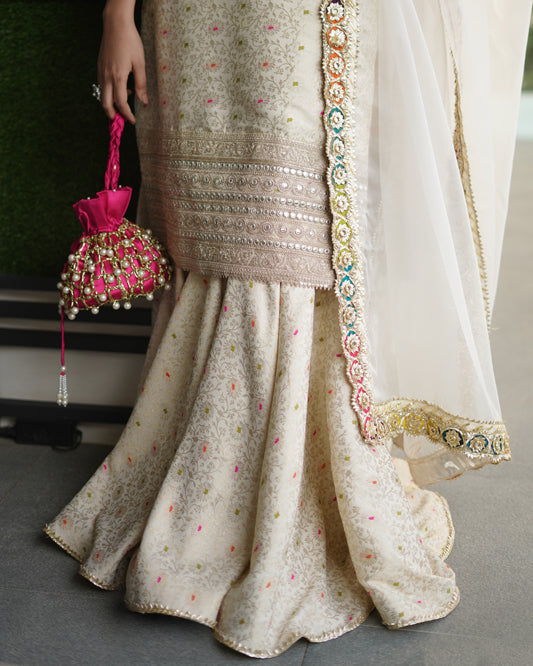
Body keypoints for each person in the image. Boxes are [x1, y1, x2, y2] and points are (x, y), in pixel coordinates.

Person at [44, 0, 532, 658]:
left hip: (313, 17)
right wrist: (117, 16)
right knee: (212, 231)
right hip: (193, 21)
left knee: (296, 225)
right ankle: (208, 498)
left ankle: (308, 488)